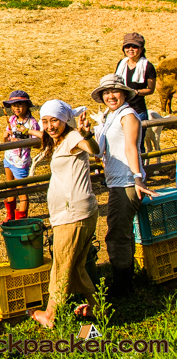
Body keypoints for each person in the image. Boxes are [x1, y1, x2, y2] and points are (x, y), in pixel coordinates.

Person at [25, 100, 99, 328]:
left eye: (54, 121)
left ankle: (50, 315)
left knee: (61, 266)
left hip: (73, 215)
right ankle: (98, 308)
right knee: (75, 266)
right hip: (76, 213)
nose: (50, 126)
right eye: (45, 121)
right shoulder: (58, 140)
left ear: (65, 120)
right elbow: (45, 134)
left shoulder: (73, 137)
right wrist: (29, 131)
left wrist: (87, 135)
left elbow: (94, 150)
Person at [91, 74, 156, 300]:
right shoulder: (112, 116)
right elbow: (100, 151)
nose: (110, 96)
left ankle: (120, 287)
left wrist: (137, 178)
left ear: (124, 94)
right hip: (116, 181)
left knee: (117, 234)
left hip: (126, 182)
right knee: (123, 232)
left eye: (115, 91)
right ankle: (127, 283)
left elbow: (131, 147)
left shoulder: (128, 116)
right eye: (106, 92)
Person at [1, 91, 40, 223]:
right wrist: (6, 137)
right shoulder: (12, 120)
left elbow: (37, 144)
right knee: (10, 187)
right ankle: (10, 216)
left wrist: (23, 139)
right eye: (13, 105)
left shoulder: (32, 123)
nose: (16, 108)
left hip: (21, 161)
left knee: (22, 192)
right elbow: (6, 141)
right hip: (9, 158)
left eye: (19, 105)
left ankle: (21, 220)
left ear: (27, 105)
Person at [115, 32, 157, 152]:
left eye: (134, 46)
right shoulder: (121, 64)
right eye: (127, 46)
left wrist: (136, 92)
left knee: (138, 145)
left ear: (141, 48)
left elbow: (151, 89)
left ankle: (140, 164)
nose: (130, 49)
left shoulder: (148, 67)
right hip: (121, 109)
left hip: (138, 111)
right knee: (121, 143)